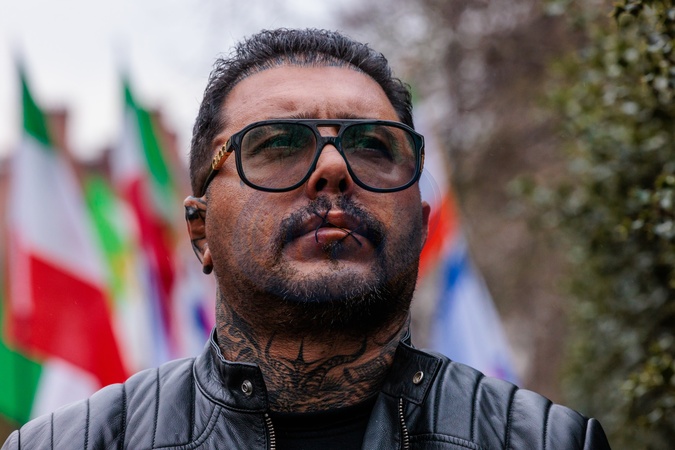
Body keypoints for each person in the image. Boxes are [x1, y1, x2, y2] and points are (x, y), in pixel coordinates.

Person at [2, 28, 611, 450]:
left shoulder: (544, 441)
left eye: (373, 146)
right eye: (277, 144)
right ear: (199, 232)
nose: (334, 167)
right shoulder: (71, 444)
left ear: (423, 225)